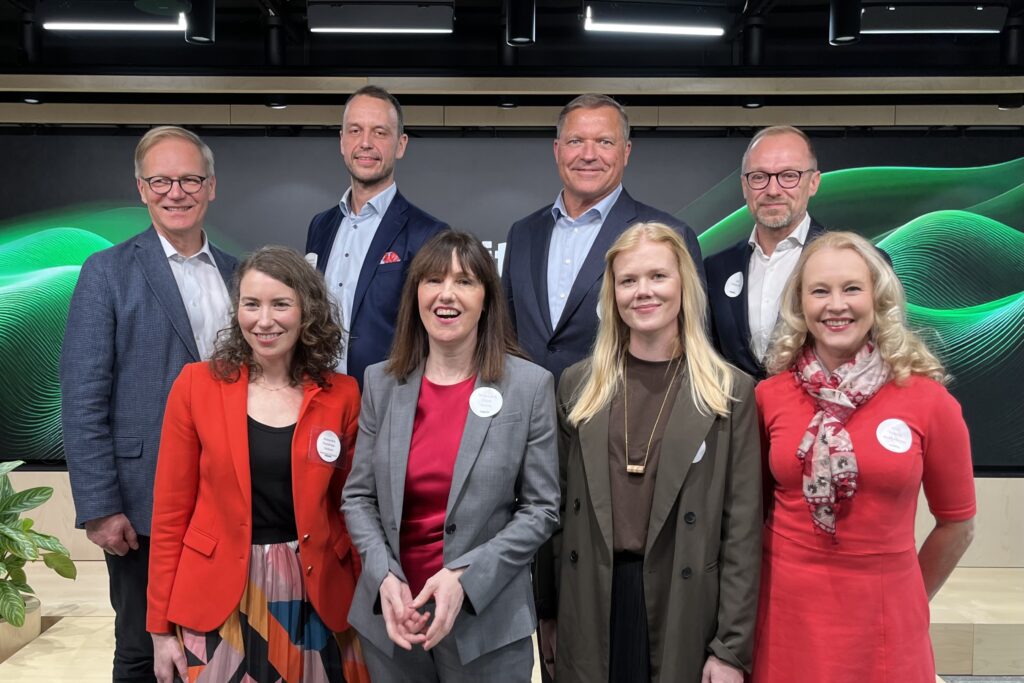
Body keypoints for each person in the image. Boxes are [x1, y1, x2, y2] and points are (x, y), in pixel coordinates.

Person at [543, 222, 762, 683]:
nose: (643, 292)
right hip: (591, 600)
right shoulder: (577, 385)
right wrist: (549, 615)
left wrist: (730, 649)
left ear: (684, 283)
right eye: (628, 280)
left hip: (684, 606)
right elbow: (555, 515)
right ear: (613, 293)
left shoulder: (730, 392)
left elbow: (742, 533)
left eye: (658, 276)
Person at [752, 231, 976, 682]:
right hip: (783, 619)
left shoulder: (928, 401)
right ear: (800, 304)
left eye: (852, 288)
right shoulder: (768, 396)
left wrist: (909, 593)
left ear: (879, 296)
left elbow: (958, 524)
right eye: (820, 291)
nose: (836, 305)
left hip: (885, 622)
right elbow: (747, 512)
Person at [60, 125, 237, 682]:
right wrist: (99, 506)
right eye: (161, 180)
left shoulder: (239, 273)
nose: (175, 192)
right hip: (141, 503)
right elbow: (82, 396)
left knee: (221, 645)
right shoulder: (106, 272)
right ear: (141, 188)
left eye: (189, 179)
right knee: (142, 650)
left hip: (228, 497)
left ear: (212, 187)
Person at [342, 230, 560, 682]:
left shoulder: (529, 386)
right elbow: (358, 497)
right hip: (393, 623)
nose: (446, 294)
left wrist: (465, 576)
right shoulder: (381, 383)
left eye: (465, 281)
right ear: (415, 295)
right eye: (433, 280)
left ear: (487, 299)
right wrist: (384, 578)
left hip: (488, 628)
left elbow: (541, 510)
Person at [147, 246, 370, 683]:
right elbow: (170, 514)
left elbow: (353, 510)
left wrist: (368, 607)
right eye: (252, 305)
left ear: (307, 311)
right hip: (218, 597)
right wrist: (159, 629)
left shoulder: (342, 394)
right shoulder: (196, 385)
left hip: (316, 597)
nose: (264, 320)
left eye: (280, 304)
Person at [502, 93, 705, 387]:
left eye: (604, 142)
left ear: (626, 152)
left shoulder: (670, 235)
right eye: (575, 141)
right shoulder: (522, 233)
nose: (588, 154)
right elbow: (505, 334)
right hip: (531, 419)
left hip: (622, 417)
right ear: (557, 150)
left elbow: (695, 341)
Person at [305, 85, 448, 388]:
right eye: (355, 131)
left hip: (391, 398)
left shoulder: (429, 234)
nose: (366, 143)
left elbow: (437, 336)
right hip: (320, 394)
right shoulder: (321, 226)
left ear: (400, 144)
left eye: (380, 133)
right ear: (342, 142)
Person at [705, 125, 822, 379]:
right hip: (737, 417)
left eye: (789, 176)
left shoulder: (857, 264)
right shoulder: (714, 269)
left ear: (813, 183)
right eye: (759, 177)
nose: (772, 190)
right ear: (744, 186)